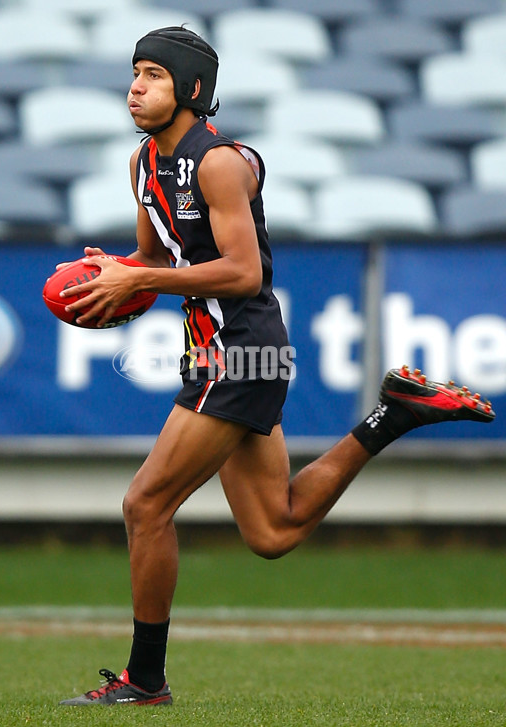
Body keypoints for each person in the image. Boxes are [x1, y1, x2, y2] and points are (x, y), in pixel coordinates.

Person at [58, 26, 495, 707]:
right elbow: (156, 261)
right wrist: (116, 274)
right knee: (273, 530)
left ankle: (145, 680)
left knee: (145, 504)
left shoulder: (221, 163)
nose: (137, 86)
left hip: (241, 350)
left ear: (192, 91)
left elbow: (242, 270)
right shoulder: (144, 162)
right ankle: (395, 412)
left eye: (154, 74)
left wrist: (136, 281)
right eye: (135, 73)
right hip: (219, 351)